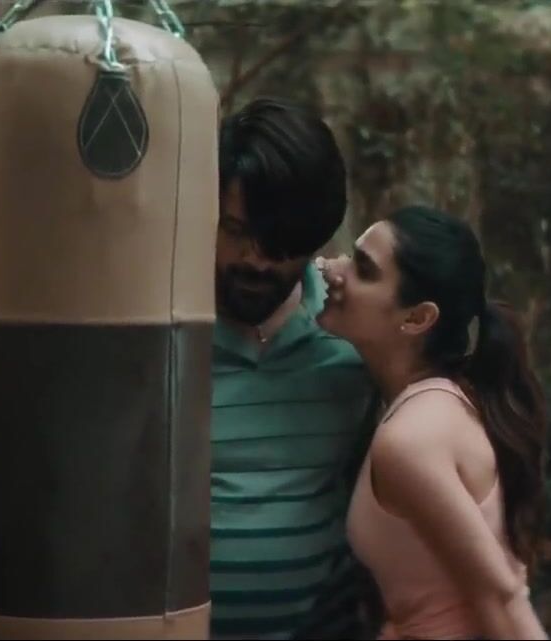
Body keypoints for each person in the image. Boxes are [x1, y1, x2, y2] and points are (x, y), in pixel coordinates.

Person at [316, 205, 549, 640]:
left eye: (363, 269)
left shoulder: (410, 437)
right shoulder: (439, 403)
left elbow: (503, 598)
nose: (331, 269)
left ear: (417, 318)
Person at [209, 97, 380, 640]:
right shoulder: (157, 336)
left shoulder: (353, 341)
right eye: (236, 230)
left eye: (280, 243)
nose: (256, 259)